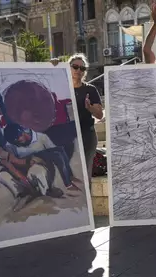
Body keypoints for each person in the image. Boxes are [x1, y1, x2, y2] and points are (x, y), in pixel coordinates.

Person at [51, 54, 103, 190]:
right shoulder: (61, 89)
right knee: (66, 170)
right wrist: (53, 67)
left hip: (87, 136)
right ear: (68, 68)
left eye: (82, 68)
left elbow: (100, 113)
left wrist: (90, 107)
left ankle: (88, 209)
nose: (78, 71)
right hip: (65, 137)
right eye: (75, 67)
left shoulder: (90, 90)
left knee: (85, 173)